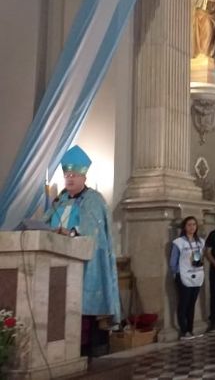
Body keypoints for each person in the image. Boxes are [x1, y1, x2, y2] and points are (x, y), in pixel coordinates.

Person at [44, 146, 121, 356]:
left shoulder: (94, 199)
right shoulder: (59, 199)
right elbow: (45, 223)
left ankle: (85, 349)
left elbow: (95, 233)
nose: (69, 178)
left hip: (85, 264)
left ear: (84, 177)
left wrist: (69, 233)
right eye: (67, 175)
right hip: (56, 262)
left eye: (74, 175)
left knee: (81, 308)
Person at [169, 216, 205, 340]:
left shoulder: (200, 242)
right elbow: (173, 262)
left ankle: (190, 329)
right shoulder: (179, 242)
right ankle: (184, 331)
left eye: (194, 224)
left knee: (192, 304)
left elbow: (200, 256)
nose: (192, 227)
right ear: (184, 227)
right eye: (189, 225)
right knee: (183, 303)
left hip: (197, 275)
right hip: (183, 276)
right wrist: (177, 273)